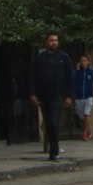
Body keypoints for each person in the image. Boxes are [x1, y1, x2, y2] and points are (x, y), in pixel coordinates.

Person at [30, 32, 74, 163]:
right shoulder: (40, 59)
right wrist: (32, 94)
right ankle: (53, 149)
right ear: (47, 42)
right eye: (51, 40)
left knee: (54, 122)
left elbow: (69, 78)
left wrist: (69, 96)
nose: (54, 42)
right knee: (48, 123)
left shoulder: (64, 58)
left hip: (58, 95)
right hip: (43, 96)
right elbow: (33, 77)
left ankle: (54, 151)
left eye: (56, 40)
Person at [73, 54, 93, 141]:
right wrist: (76, 70)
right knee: (82, 117)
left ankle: (85, 133)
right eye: (81, 61)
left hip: (89, 97)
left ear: (88, 62)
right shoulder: (77, 72)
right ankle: (89, 130)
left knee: (87, 114)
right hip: (79, 98)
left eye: (85, 61)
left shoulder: (92, 72)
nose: (83, 62)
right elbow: (72, 81)